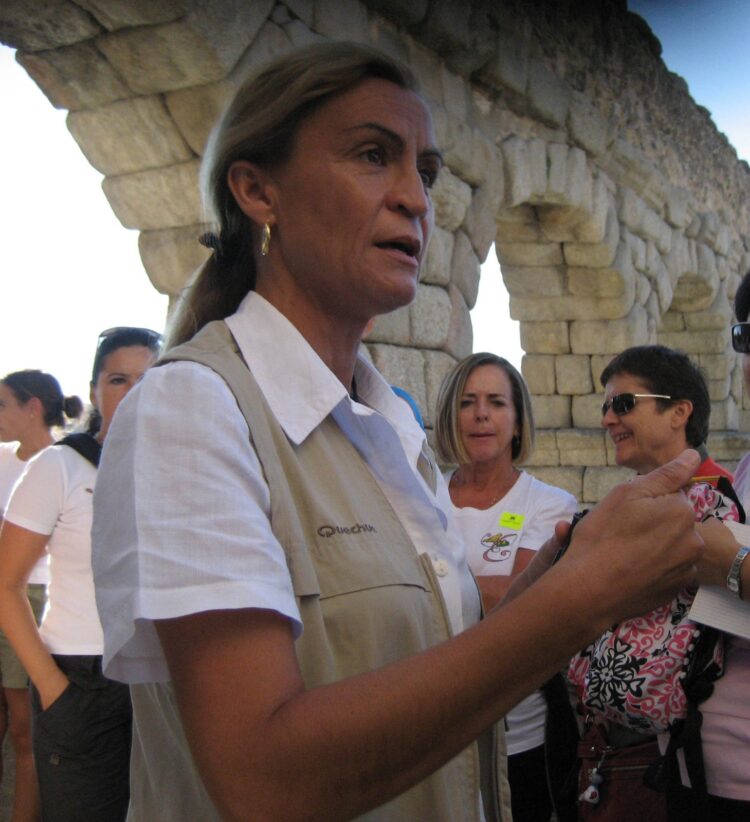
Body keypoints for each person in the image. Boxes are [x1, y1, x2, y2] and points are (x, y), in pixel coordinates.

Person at [90, 42, 704, 822]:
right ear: (257, 189)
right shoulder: (191, 409)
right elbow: (263, 780)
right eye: (373, 155)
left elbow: (411, 667)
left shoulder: (390, 427)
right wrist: (583, 600)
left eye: (428, 171)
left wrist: (550, 582)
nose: (415, 197)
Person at [569, 344, 745, 821]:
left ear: (679, 412)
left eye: (623, 403)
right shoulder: (642, 503)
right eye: (605, 405)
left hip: (681, 761)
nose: (608, 418)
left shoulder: (718, 505)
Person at [0, 328, 161, 821]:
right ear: (94, 390)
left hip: (164, 679)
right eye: (118, 379)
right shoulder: (60, 467)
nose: (134, 392)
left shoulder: (182, 466)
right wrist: (53, 687)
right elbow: (6, 585)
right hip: (82, 676)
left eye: (149, 379)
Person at [435, 352, 578, 822]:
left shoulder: (549, 503)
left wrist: (427, 580)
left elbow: (517, 597)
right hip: (428, 728)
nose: (481, 414)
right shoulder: (419, 492)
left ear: (517, 422)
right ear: (451, 417)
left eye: (496, 402)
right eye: (468, 402)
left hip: (521, 735)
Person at [0, 370, 82, 821]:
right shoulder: (1, 461)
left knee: (23, 728)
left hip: (30, 598)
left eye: (2, 404)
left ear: (32, 407)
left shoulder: (63, 463)